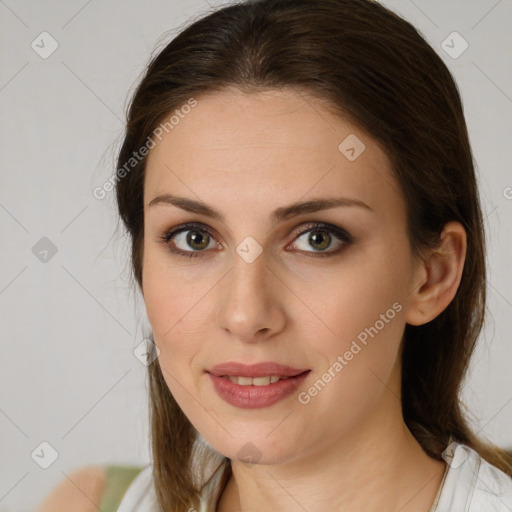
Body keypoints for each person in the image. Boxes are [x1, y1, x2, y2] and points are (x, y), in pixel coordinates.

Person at [38, 0, 512, 510]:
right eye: (194, 238)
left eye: (317, 239)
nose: (245, 315)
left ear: (432, 276)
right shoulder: (90, 502)